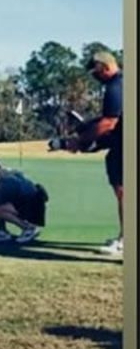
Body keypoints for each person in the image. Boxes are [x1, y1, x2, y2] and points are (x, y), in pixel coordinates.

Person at [66, 50, 123, 258]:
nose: (94, 76)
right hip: (120, 145)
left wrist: (80, 141)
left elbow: (109, 122)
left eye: (95, 71)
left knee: (125, 193)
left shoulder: (116, 87)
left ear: (105, 67)